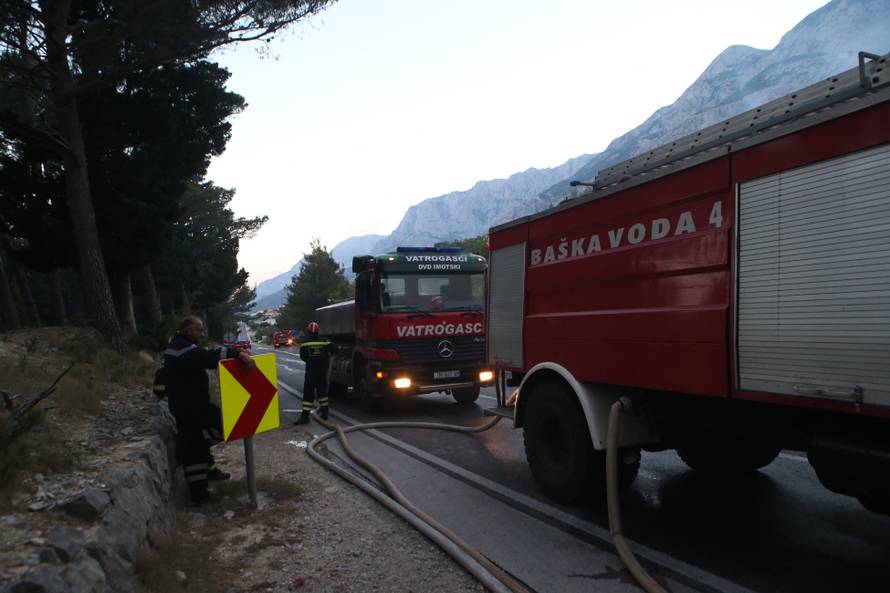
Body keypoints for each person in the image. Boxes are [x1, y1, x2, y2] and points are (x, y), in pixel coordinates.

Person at [164, 315, 256, 504]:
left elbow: (203, 355)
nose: (202, 333)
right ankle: (199, 488)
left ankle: (201, 488)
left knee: (194, 448)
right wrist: (237, 353)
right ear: (188, 330)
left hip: (188, 406)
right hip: (190, 407)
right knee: (225, 424)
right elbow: (207, 357)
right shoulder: (181, 348)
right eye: (199, 329)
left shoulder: (180, 345)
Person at [296, 321, 338, 424]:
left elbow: (303, 356)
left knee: (308, 393)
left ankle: (305, 417)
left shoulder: (305, 343)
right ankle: (324, 413)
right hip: (321, 371)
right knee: (322, 392)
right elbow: (335, 349)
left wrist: (311, 360)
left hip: (310, 371)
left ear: (308, 331)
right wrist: (326, 356)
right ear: (318, 331)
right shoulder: (324, 341)